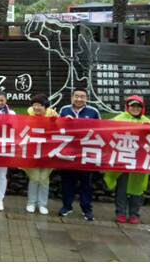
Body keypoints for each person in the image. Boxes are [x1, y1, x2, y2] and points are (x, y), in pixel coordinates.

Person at [103, 96, 150, 224]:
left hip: (139, 161)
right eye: (132, 106)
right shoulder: (118, 119)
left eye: (138, 106)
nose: (135, 108)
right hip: (123, 159)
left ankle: (134, 214)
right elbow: (105, 129)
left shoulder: (147, 122)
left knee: (137, 189)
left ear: (142, 108)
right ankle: (120, 213)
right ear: (127, 107)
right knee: (121, 188)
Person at [58, 87, 101, 221]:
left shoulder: (93, 112)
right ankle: (66, 206)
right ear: (72, 97)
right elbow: (56, 128)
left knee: (86, 184)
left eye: (82, 96)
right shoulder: (64, 110)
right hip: (68, 153)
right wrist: (64, 122)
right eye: (76, 96)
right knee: (67, 182)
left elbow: (101, 130)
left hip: (85, 154)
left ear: (86, 98)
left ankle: (86, 209)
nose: (79, 99)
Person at [22, 94, 58, 215]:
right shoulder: (29, 117)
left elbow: (59, 132)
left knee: (44, 179)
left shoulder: (53, 116)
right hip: (33, 152)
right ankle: (31, 203)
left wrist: (55, 122)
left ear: (45, 107)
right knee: (34, 178)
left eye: (40, 105)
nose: (37, 107)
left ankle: (42, 204)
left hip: (48, 153)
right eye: (35, 105)